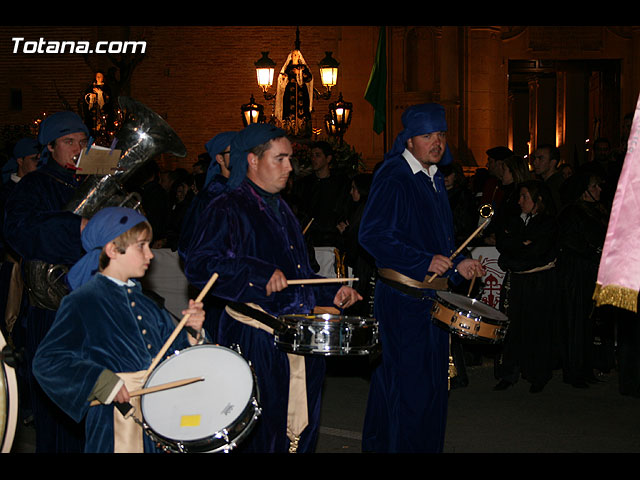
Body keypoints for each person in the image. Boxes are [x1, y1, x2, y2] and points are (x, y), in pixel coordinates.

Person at [183, 123, 361, 453]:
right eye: (280, 159)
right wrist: (257, 274)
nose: (289, 168)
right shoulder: (226, 206)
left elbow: (298, 275)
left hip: (298, 337)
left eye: (290, 159)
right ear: (252, 160)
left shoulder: (284, 210)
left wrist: (330, 292)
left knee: (300, 432)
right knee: (260, 435)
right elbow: (200, 265)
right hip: (256, 339)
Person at [358, 103, 484, 453]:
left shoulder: (436, 179)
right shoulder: (394, 174)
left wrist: (458, 266)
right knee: (409, 391)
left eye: (441, 135)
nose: (437, 142)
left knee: (429, 390)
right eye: (428, 135)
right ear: (409, 140)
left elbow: (438, 243)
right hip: (402, 301)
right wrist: (423, 260)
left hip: (430, 301)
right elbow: (372, 235)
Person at [32, 207, 206, 453]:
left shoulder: (147, 304)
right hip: (113, 424)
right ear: (113, 250)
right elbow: (48, 360)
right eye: (142, 246)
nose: (151, 254)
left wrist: (192, 332)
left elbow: (173, 352)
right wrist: (101, 381)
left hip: (158, 417)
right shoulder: (83, 302)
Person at [3, 110, 89, 453]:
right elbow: (18, 232)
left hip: (93, 309)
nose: (77, 148)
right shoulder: (35, 185)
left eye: (83, 141)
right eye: (68, 142)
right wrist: (76, 228)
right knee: (57, 409)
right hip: (53, 312)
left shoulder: (92, 180)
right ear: (50, 147)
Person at [493, 180, 558, 393]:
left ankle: (537, 374)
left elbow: (538, 252)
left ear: (538, 200)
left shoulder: (548, 222)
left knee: (537, 327)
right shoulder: (513, 220)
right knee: (510, 326)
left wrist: (518, 248)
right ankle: (508, 373)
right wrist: (521, 245)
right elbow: (503, 246)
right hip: (516, 281)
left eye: (525, 197)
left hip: (538, 283)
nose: (520, 201)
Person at [557, 172, 609, 388]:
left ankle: (586, 367)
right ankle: (574, 370)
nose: (599, 190)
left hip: (589, 272)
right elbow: (572, 242)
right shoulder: (571, 213)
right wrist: (593, 250)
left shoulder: (596, 211)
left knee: (588, 322)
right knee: (575, 322)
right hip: (575, 274)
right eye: (595, 186)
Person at [293, 141, 351, 278]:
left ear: (328, 159)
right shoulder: (304, 184)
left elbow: (344, 209)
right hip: (309, 243)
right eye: (312, 155)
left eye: (317, 155)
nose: (313, 159)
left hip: (332, 241)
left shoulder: (341, 184)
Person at [532, 144, 564, 214]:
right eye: (535, 158)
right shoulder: (546, 183)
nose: (535, 163)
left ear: (552, 162)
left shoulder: (556, 185)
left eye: (540, 158)